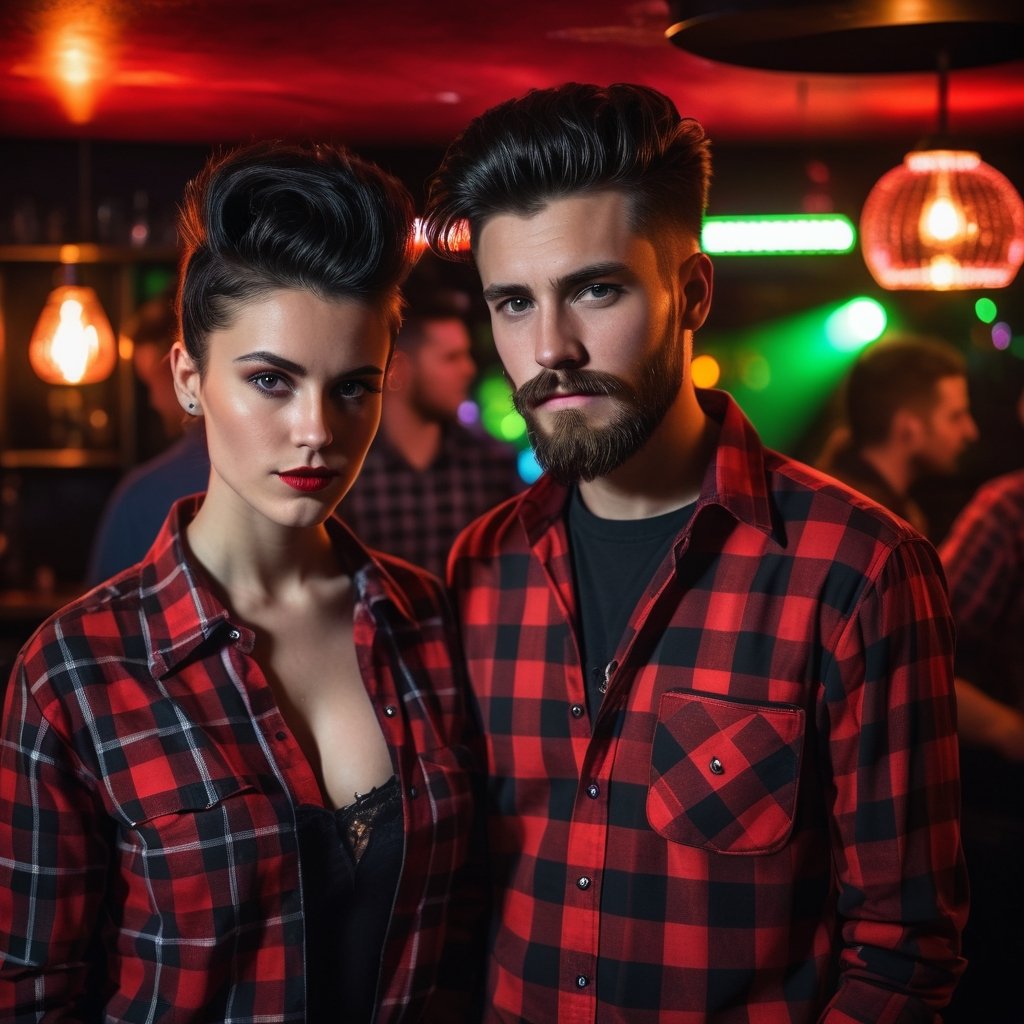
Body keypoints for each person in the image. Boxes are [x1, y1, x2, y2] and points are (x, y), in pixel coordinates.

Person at [422, 82, 966, 1022]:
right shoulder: (480, 568)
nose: (549, 346)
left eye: (596, 288)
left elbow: (905, 953)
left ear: (693, 293)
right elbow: (462, 908)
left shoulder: (860, 571)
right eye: (513, 302)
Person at [0, 141, 479, 1021]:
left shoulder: (430, 624)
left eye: (352, 389)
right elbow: (30, 993)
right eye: (270, 380)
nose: (315, 433)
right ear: (190, 378)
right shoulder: (75, 671)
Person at [342, 302, 522, 578]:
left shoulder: (489, 464)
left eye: (467, 355)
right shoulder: (350, 472)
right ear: (399, 368)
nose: (469, 369)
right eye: (452, 357)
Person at [939, 459, 1024, 1023]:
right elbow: (916, 658)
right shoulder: (1010, 510)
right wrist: (1006, 727)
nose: (968, 433)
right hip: (1000, 810)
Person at [87, 287, 213, 585]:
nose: (152, 400)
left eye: (152, 382)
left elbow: (102, 612)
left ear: (184, 374)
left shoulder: (142, 495)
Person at [818, 337, 978, 537]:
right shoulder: (866, 525)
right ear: (908, 428)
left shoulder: (838, 500)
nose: (970, 431)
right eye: (955, 417)